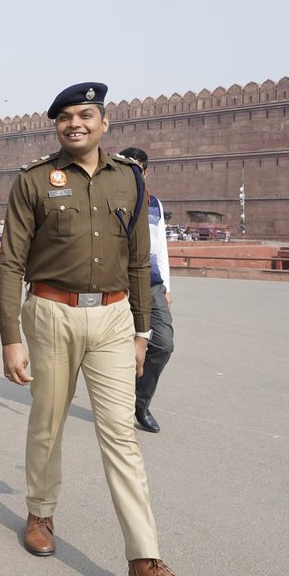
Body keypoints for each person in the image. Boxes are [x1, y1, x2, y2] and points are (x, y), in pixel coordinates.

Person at [0, 82, 202, 576]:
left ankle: (144, 560)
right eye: (64, 117)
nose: (75, 124)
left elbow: (138, 262)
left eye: (85, 115)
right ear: (57, 126)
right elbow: (11, 263)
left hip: (111, 318)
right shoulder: (35, 180)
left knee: (122, 438)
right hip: (50, 313)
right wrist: (9, 338)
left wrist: (140, 330)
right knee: (48, 423)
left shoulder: (129, 180)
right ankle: (40, 513)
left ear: (104, 122)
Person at [118, 147, 174, 434]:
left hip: (150, 284)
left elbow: (160, 246)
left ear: (145, 171)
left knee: (163, 344)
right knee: (118, 347)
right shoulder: (110, 199)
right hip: (118, 283)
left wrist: (166, 285)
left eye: (136, 169)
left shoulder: (155, 204)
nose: (131, 174)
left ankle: (139, 402)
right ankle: (117, 405)